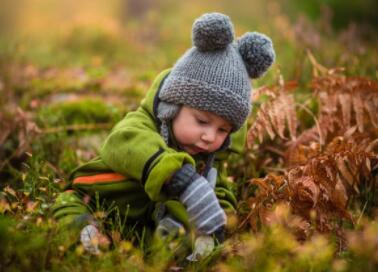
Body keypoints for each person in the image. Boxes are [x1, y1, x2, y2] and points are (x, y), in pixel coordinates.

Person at [51, 12, 275, 259]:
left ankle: (167, 245)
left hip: (141, 224)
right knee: (69, 206)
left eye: (223, 130)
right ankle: (85, 235)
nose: (210, 137)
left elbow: (219, 190)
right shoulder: (142, 125)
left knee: (185, 230)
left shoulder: (209, 158)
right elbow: (122, 142)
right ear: (172, 107)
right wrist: (179, 177)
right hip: (95, 198)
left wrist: (218, 222)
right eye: (201, 121)